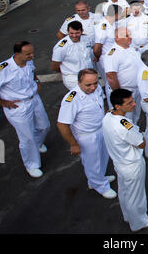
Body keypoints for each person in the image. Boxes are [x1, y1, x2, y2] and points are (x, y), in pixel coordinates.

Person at [102, 88, 148, 232]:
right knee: (136, 195)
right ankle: (139, 222)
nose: (133, 104)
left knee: (125, 192)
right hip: (132, 164)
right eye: (129, 103)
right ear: (118, 106)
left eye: (132, 101)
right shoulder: (124, 126)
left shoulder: (108, 117)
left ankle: (128, 216)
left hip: (119, 163)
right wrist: (141, 134)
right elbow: (141, 143)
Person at [57, 69, 117, 199]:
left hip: (101, 129)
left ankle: (98, 177)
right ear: (79, 82)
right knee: (92, 162)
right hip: (87, 135)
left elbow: (100, 107)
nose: (93, 87)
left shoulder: (97, 90)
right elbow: (62, 124)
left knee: (103, 156)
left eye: (95, 83)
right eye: (88, 85)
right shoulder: (72, 99)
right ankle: (100, 186)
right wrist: (73, 144)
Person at [0, 41, 50, 178]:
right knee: (27, 138)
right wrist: (2, 101)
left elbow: (32, 72)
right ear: (17, 54)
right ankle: (32, 165)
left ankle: (37, 144)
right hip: (18, 106)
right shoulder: (4, 69)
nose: (32, 56)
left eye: (32, 52)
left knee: (44, 126)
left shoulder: (28, 62)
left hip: (34, 99)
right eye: (28, 54)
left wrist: (37, 82)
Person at [104, 27, 143, 122]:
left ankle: (135, 134)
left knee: (136, 115)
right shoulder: (113, 54)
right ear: (117, 38)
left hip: (136, 89)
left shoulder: (131, 48)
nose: (130, 37)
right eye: (126, 36)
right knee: (125, 118)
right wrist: (120, 95)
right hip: (124, 90)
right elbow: (110, 76)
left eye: (130, 35)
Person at [51, 21, 94, 90]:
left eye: (77, 33)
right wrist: (67, 72)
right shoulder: (61, 47)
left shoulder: (86, 39)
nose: (74, 35)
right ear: (67, 31)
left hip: (88, 74)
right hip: (73, 78)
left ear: (82, 31)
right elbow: (54, 66)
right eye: (71, 33)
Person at [93, 4, 120, 87]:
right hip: (106, 58)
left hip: (113, 56)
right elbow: (97, 47)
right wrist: (97, 57)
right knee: (110, 84)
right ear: (115, 15)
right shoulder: (103, 27)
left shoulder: (112, 23)